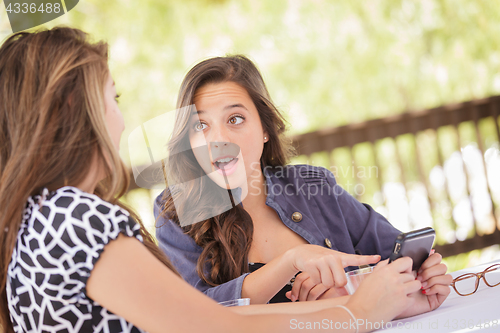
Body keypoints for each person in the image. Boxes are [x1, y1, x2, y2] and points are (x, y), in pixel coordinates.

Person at [0, 26, 438, 333]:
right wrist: (357, 314)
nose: (122, 116)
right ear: (76, 107)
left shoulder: (44, 218)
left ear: (265, 130)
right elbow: (215, 325)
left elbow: (218, 323)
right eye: (111, 97)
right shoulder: (77, 220)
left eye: (235, 120)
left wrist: (370, 301)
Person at [154, 55, 452, 309]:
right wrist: (292, 261)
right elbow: (196, 314)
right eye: (200, 125)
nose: (218, 140)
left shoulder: (313, 185)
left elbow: (392, 254)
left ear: (265, 129)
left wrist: (423, 278)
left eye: (234, 119)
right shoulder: (176, 213)